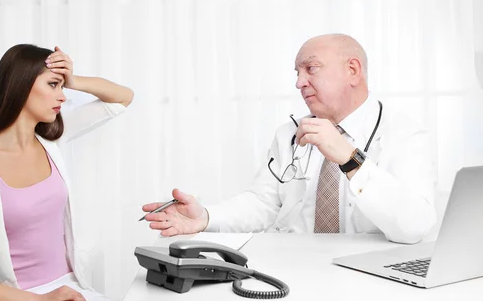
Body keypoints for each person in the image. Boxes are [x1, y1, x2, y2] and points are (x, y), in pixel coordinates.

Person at [142, 34, 437, 244]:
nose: (299, 82)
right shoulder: (291, 134)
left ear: (352, 70)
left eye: (311, 68)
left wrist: (350, 159)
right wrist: (205, 217)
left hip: (367, 281)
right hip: (291, 273)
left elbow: (414, 228)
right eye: (297, 72)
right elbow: (264, 204)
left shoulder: (405, 135)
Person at [0, 44, 133, 301]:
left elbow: (123, 98)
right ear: (21, 85)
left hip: (68, 291)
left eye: (62, 86)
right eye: (53, 85)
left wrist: (74, 80)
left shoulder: (52, 141)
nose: (63, 96)